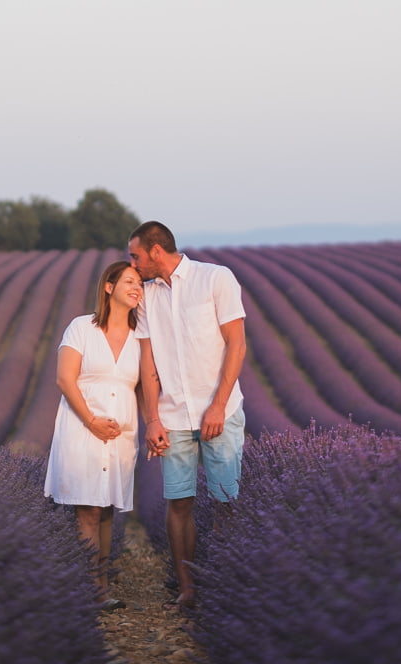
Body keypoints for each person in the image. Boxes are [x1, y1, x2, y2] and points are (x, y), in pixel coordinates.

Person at [128, 220, 246, 610]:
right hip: (174, 416)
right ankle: (188, 587)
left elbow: (236, 345)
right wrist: (152, 420)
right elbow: (148, 364)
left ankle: (227, 583)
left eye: (135, 255)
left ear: (156, 251)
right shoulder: (146, 295)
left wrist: (217, 404)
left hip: (221, 413)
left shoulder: (215, 279)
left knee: (226, 501)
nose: (133, 263)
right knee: (178, 503)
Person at [44, 259, 142, 610]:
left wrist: (156, 426)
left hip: (120, 436)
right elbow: (65, 379)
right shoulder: (81, 327)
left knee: (106, 510)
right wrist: (91, 420)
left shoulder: (140, 337)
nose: (136, 288)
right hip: (82, 431)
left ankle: (99, 585)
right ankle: (93, 591)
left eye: (140, 284)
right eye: (129, 281)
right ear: (108, 287)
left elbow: (145, 388)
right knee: (87, 509)